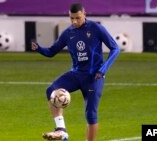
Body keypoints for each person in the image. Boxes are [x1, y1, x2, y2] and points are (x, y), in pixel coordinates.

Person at [31, 3, 120, 141]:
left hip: (94, 77)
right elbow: (52, 52)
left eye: (77, 18)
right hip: (76, 74)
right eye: (71, 18)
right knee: (51, 90)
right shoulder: (68, 33)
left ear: (84, 14)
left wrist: (103, 70)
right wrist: (39, 49)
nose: (74, 21)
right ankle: (61, 130)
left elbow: (115, 48)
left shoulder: (96, 28)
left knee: (90, 114)